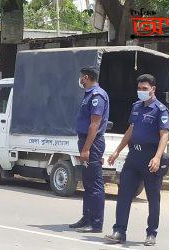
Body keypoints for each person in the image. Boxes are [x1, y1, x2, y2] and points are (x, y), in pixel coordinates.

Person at [105, 74, 169, 246]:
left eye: (145, 89)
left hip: (150, 158)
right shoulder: (136, 107)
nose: (141, 92)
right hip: (133, 157)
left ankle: (151, 233)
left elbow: (164, 134)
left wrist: (157, 157)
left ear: (153, 89)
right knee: (124, 194)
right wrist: (117, 151)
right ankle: (119, 231)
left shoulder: (160, 109)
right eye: (139, 89)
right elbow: (130, 130)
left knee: (153, 197)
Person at [69, 67, 109, 233]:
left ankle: (96, 223)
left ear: (86, 77)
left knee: (95, 184)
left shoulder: (97, 96)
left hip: (92, 143)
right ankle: (87, 218)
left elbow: (95, 124)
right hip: (86, 141)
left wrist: (86, 149)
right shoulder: (89, 94)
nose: (80, 80)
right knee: (88, 183)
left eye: (81, 78)